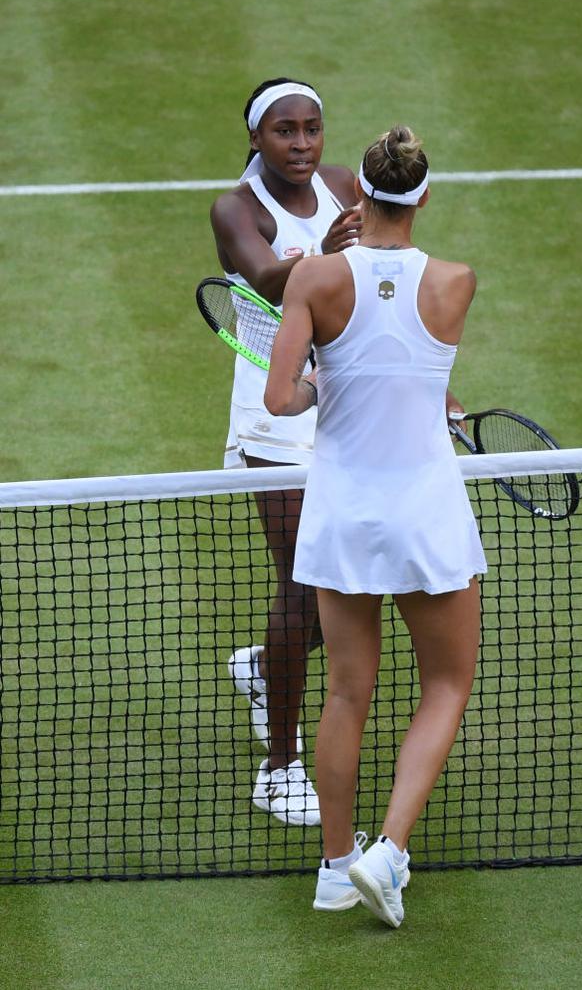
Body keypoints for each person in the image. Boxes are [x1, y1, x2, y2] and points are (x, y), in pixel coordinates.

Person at [264, 125, 487, 927]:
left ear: (356, 194)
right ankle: (388, 851)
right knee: (447, 684)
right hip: (426, 514)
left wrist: (323, 384)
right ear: (423, 196)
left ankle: (333, 869)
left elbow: (279, 400)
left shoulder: (315, 279)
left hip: (344, 516)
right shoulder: (456, 283)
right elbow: (418, 377)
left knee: (346, 692)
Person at [210, 78, 360, 826]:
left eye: (311, 129)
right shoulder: (236, 208)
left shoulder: (341, 187)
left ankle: (265, 670)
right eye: (283, 132)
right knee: (304, 581)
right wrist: (326, 257)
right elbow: (265, 276)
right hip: (271, 411)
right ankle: (280, 768)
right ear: (257, 140)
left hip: (342, 399)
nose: (301, 144)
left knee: (351, 576)